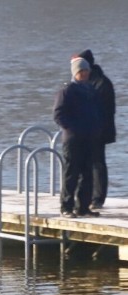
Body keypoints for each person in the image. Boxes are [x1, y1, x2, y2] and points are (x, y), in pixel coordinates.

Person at [53, 55, 103, 218]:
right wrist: (72, 129)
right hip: (73, 139)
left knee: (87, 173)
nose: (85, 74)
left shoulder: (91, 90)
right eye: (81, 71)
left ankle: (83, 207)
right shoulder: (67, 91)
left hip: (89, 138)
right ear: (75, 73)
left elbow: (96, 112)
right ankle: (66, 207)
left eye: (87, 71)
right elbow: (58, 114)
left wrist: (96, 128)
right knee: (71, 173)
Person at [77, 50, 116, 210]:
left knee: (97, 163)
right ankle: (90, 196)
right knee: (91, 163)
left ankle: (98, 198)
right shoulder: (90, 81)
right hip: (89, 129)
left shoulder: (100, 82)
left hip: (99, 130)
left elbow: (102, 109)